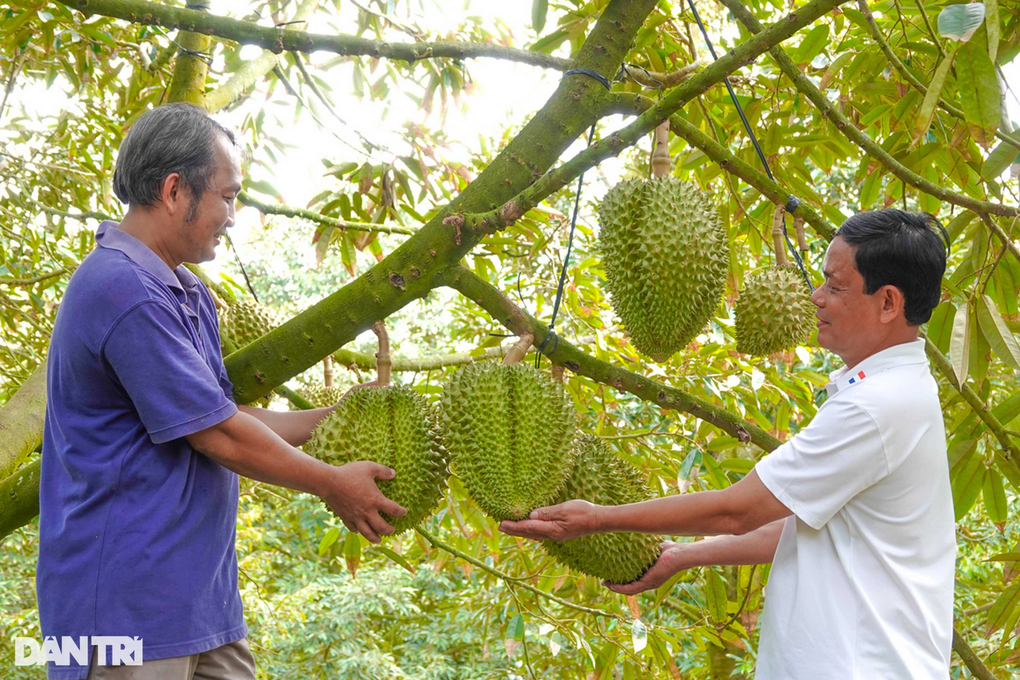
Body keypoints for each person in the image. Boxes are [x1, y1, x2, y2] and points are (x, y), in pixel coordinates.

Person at [37, 102, 406, 680]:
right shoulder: (121, 288)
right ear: (175, 191)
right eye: (228, 196)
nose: (233, 215)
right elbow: (216, 437)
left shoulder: (185, 290)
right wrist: (331, 483)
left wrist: (337, 416)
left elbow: (219, 413)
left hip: (200, 600)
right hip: (120, 607)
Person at [501, 209, 954, 679]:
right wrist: (680, 555)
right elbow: (811, 526)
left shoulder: (875, 407)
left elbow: (737, 511)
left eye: (835, 286)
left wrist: (598, 519)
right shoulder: (893, 390)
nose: (816, 298)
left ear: (887, 303)